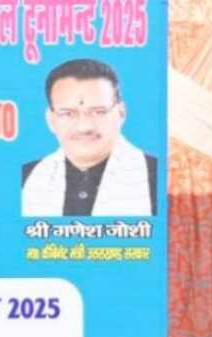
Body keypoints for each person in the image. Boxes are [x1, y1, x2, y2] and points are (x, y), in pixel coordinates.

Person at [22, 58, 158, 217]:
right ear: (51, 120)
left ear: (121, 113)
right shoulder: (24, 178)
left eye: (98, 112)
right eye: (68, 113)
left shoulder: (160, 178)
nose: (84, 127)